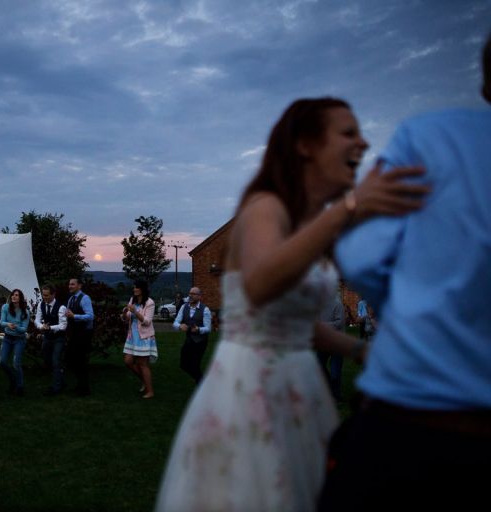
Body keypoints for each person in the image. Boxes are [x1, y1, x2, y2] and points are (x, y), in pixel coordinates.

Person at [155, 97, 428, 511]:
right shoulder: (266, 207)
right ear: (305, 145)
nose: (363, 142)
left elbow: (292, 319)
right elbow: (260, 287)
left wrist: (359, 349)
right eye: (348, 133)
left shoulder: (308, 226)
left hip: (300, 385)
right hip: (253, 389)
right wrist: (350, 208)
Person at [319, 35, 491, 511]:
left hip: (417, 420)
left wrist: (413, 300)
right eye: (347, 133)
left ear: (485, 76)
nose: (363, 143)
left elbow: (363, 258)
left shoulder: (432, 138)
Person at [121, 280, 157, 399]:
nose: (134, 289)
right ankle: (145, 381)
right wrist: (125, 313)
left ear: (142, 289)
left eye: (136, 287)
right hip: (132, 336)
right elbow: (127, 318)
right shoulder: (133, 300)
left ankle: (150, 391)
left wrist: (135, 312)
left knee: (143, 364)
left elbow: (147, 322)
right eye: (134, 288)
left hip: (144, 337)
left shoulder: (150, 302)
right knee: (128, 361)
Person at [172, 286, 212, 385]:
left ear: (199, 296)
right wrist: (180, 326)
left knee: (195, 365)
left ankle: (201, 383)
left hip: (200, 341)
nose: (190, 295)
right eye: (190, 293)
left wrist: (198, 329)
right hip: (189, 340)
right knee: (183, 364)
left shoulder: (205, 309)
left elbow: (208, 328)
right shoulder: (184, 307)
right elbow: (175, 322)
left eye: (193, 294)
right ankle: (201, 380)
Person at [34, 284, 67, 396]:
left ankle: (56, 388)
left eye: (47, 295)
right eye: (43, 295)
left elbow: (63, 326)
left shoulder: (61, 307)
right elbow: (37, 320)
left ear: (53, 294)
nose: (45, 298)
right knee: (47, 361)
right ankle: (61, 382)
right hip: (47, 338)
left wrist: (50, 328)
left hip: (58, 338)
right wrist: (41, 327)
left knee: (56, 361)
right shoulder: (41, 305)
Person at [65, 277, 94, 396]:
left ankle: (84, 389)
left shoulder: (85, 298)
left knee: (80, 361)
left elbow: (91, 316)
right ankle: (80, 385)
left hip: (83, 334)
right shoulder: (71, 299)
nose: (70, 286)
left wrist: (74, 316)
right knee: (71, 360)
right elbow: (68, 315)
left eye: (72, 284)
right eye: (69, 284)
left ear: (79, 286)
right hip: (74, 333)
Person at [0, 289, 29, 396]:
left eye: (16, 295)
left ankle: (20, 387)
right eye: (13, 295)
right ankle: (13, 380)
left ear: (20, 298)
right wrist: (8, 324)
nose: (14, 297)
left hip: (19, 339)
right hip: (7, 338)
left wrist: (16, 327)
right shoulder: (5, 307)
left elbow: (24, 329)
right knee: (2, 362)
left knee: (16, 363)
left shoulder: (25, 312)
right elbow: (2, 322)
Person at [316, 286, 344, 401]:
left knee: (335, 373)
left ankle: (337, 396)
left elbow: (339, 322)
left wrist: (323, 326)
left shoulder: (337, 304)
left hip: (338, 343)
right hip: (324, 342)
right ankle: (329, 390)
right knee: (319, 367)